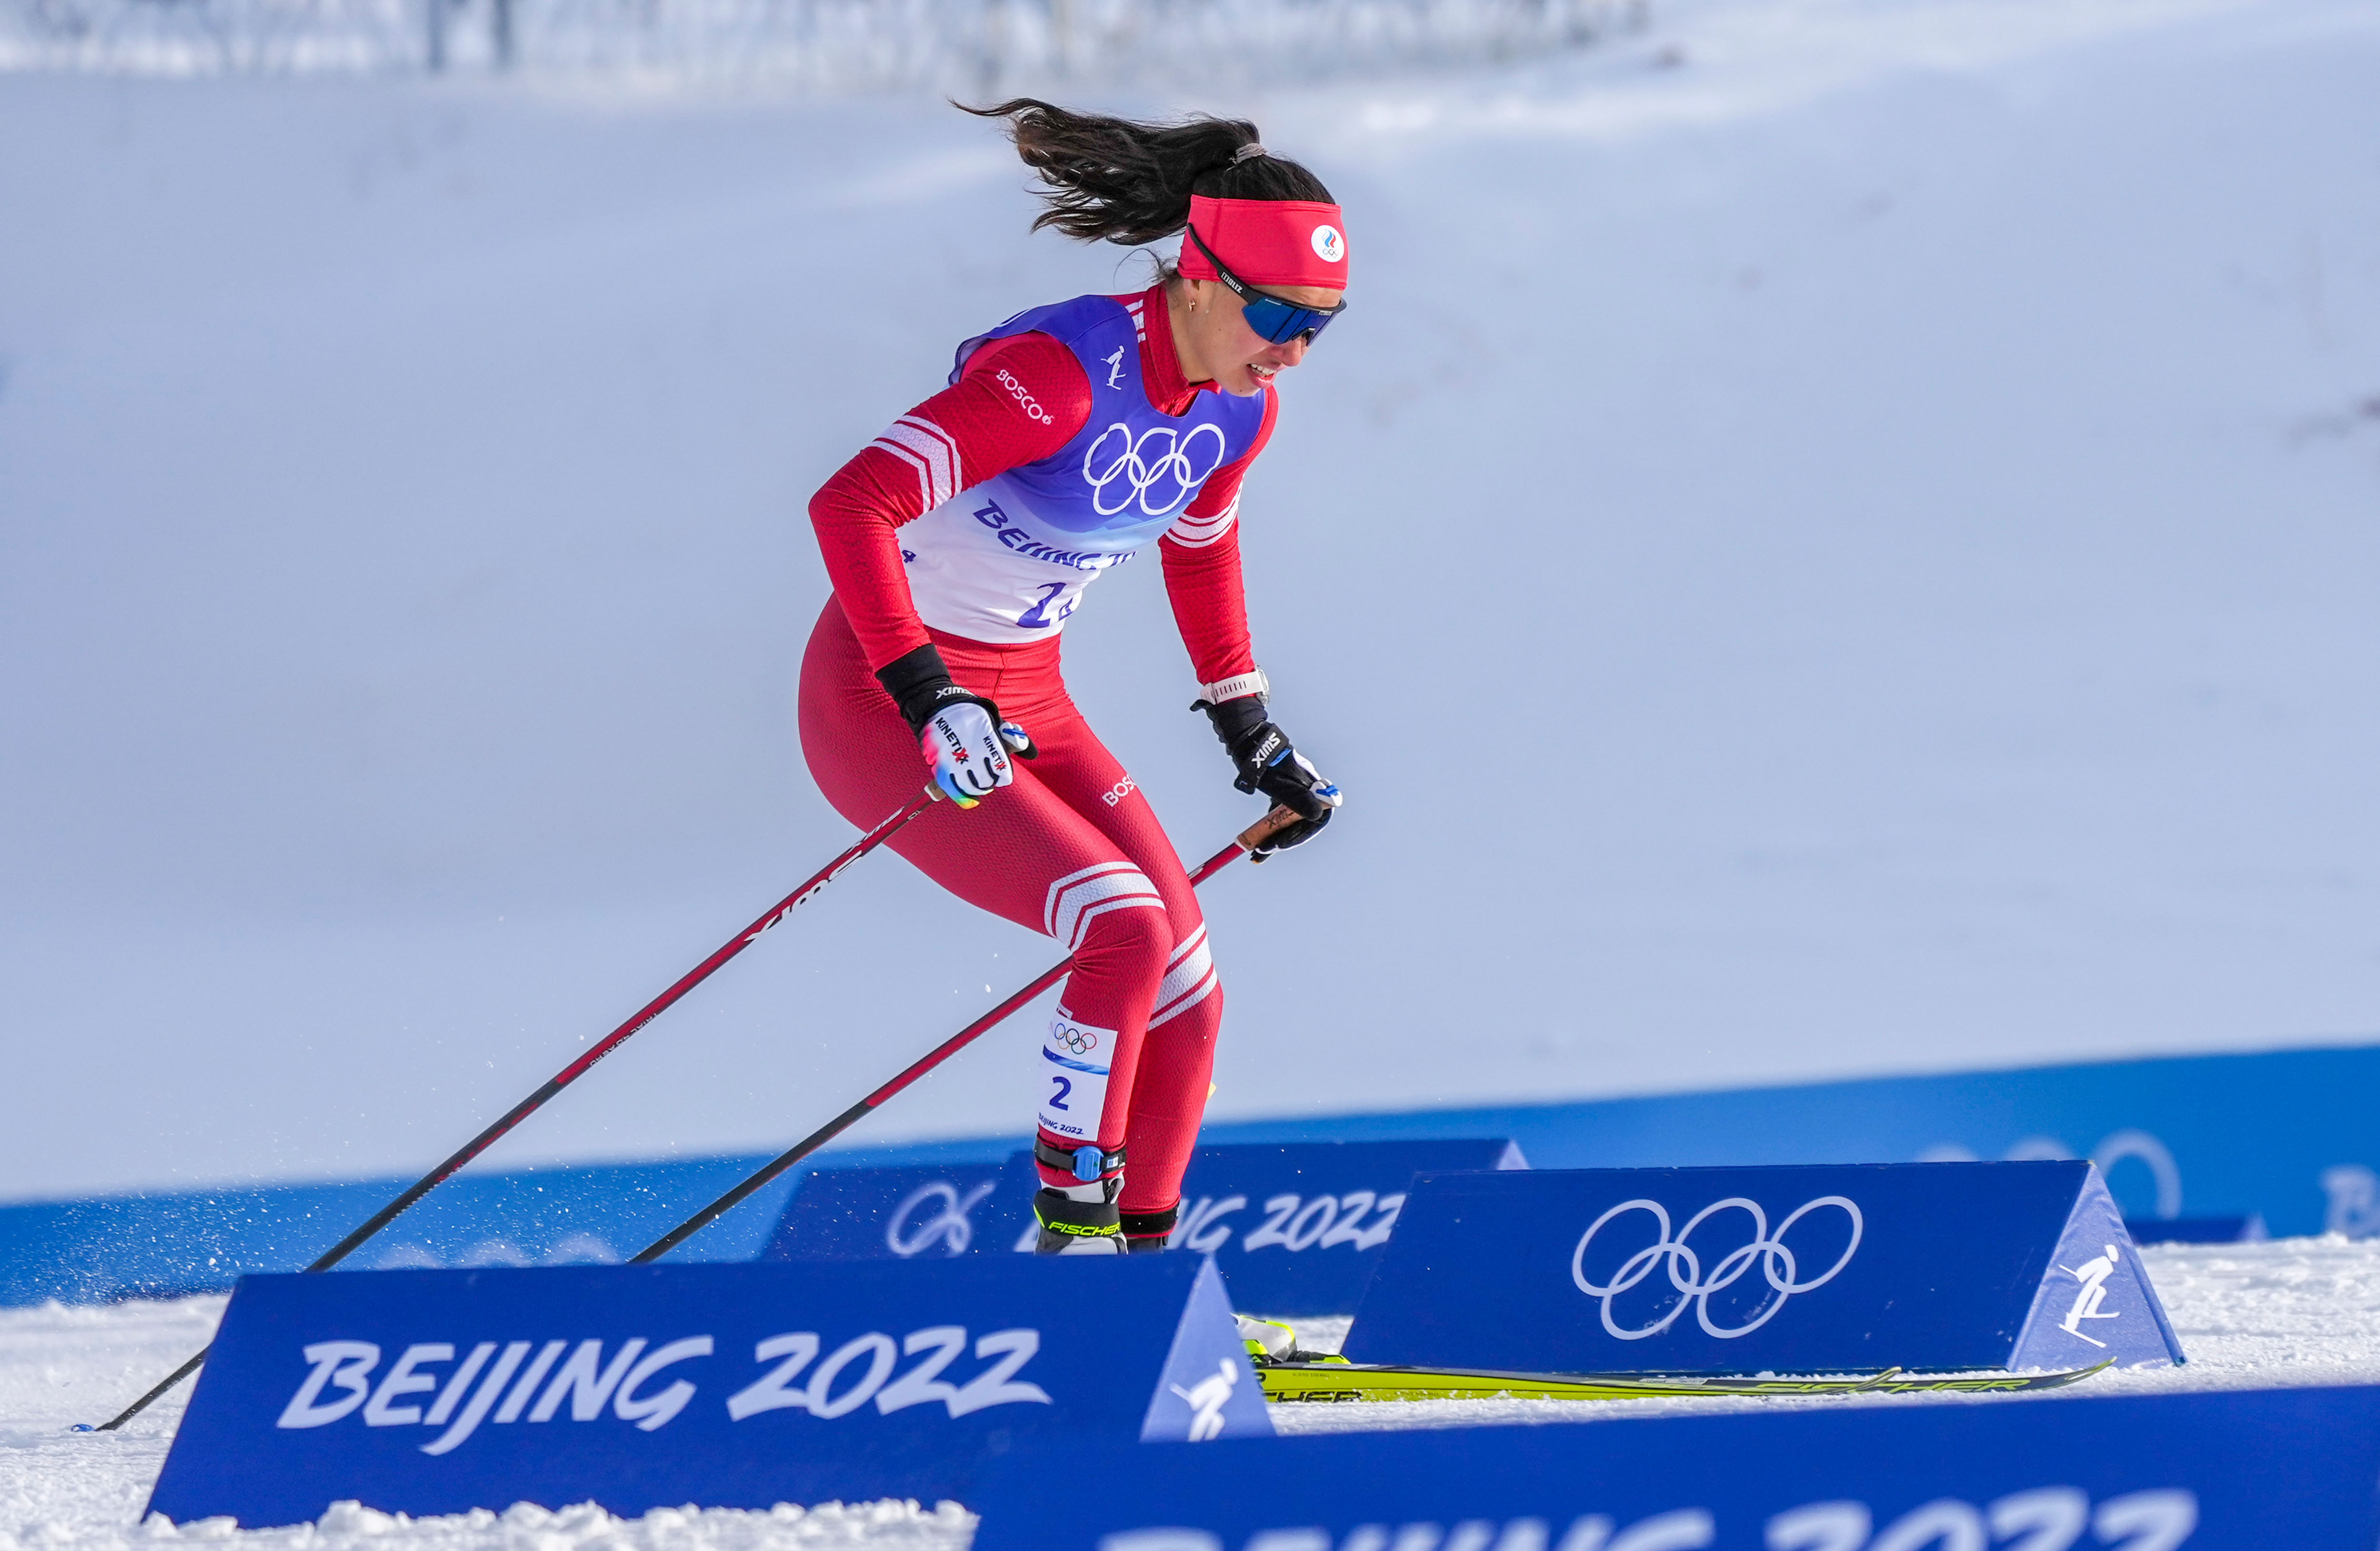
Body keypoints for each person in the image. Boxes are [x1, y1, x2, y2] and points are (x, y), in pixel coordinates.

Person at [799, 99, 1347, 1254]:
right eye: (1274, 314)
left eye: (1320, 326)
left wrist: (1254, 737)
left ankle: (1142, 1278)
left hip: (1027, 696)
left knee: (1189, 995)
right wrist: (926, 694)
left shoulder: (1238, 414)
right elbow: (852, 502)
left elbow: (1202, 555)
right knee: (1122, 929)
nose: (1292, 348)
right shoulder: (1062, 375)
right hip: (880, 692)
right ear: (1198, 279)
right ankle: (1069, 1248)